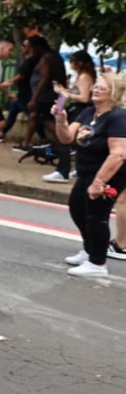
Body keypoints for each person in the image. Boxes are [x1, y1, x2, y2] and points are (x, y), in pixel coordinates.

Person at [55, 74, 126, 278]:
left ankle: (97, 263)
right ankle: (89, 249)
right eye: (95, 86)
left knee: (97, 216)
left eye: (102, 88)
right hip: (87, 173)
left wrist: (99, 182)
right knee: (77, 208)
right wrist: (61, 120)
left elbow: (119, 153)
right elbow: (67, 137)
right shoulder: (88, 113)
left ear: (113, 94)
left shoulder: (118, 118)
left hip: (108, 175)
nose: (95, 89)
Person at [45, 50, 96, 182]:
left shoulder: (85, 77)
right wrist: (64, 90)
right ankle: (80, 170)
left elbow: (84, 98)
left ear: (79, 63)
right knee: (80, 142)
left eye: (72, 61)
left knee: (65, 139)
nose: (70, 63)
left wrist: (63, 92)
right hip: (78, 109)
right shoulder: (81, 76)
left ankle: (63, 171)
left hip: (80, 110)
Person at [27, 36, 71, 182]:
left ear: (37, 47)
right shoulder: (55, 56)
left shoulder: (47, 58)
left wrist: (34, 98)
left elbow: (44, 78)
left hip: (46, 97)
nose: (29, 51)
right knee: (51, 119)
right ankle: (63, 142)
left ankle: (65, 142)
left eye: (31, 47)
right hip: (56, 95)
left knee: (48, 120)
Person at [2, 39, 44, 151]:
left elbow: (21, 75)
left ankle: (44, 139)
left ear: (30, 47)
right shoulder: (34, 60)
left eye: (24, 46)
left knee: (33, 117)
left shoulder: (31, 61)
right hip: (23, 93)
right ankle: (2, 133)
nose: (22, 48)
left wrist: (8, 82)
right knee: (13, 110)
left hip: (27, 94)